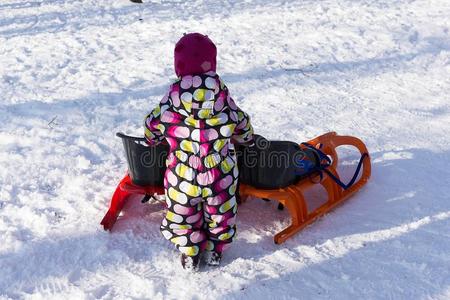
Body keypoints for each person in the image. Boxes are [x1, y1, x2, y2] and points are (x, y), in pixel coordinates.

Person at [144, 33, 254, 270]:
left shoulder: (172, 98)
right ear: (211, 63)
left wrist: (152, 139)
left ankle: (190, 251)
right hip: (220, 171)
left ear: (178, 66)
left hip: (182, 172)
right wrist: (246, 137)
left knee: (182, 213)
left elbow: (152, 123)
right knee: (221, 212)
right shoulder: (222, 95)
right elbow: (241, 121)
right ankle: (215, 250)